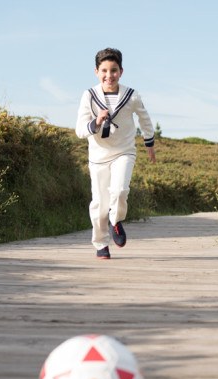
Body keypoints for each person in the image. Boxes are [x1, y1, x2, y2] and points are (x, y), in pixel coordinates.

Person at [75, 47, 156, 259]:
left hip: (124, 151)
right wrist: (96, 121)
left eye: (113, 70)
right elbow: (80, 129)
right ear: (96, 71)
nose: (108, 75)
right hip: (98, 156)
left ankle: (116, 220)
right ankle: (101, 243)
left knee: (120, 190)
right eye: (104, 70)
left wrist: (149, 143)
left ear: (121, 71)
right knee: (100, 202)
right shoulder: (89, 96)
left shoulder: (131, 95)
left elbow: (145, 119)